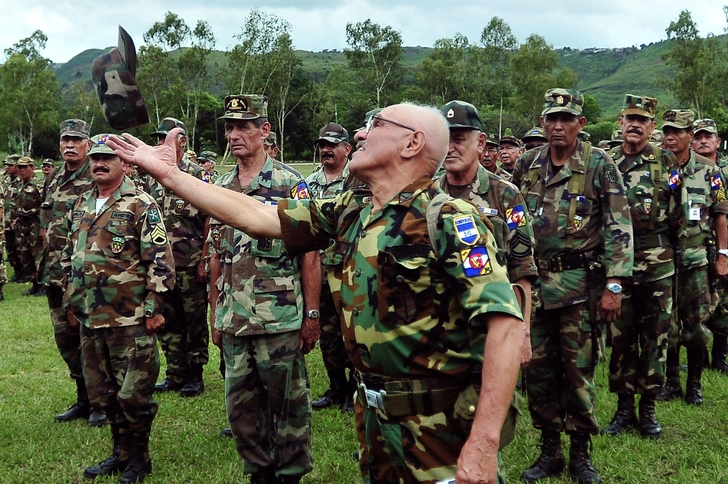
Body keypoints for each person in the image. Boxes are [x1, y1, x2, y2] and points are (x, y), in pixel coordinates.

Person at [108, 101, 526, 484]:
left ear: (412, 143)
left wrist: (485, 442)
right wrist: (169, 174)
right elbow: (255, 215)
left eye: (376, 124)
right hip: (377, 415)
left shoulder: (449, 217)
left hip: (440, 425)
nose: (361, 134)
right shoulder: (352, 210)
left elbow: (505, 326)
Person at [512, 88, 633, 484]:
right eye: (552, 118)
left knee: (578, 371)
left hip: (579, 288)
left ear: (581, 123)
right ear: (543, 122)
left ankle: (581, 452)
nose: (558, 125)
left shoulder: (600, 164)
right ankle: (550, 451)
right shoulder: (528, 163)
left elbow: (618, 225)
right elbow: (512, 220)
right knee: (540, 373)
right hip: (534, 287)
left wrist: (614, 284)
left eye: (567, 119)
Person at [206, 95, 318, 483]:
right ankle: (258, 473)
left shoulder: (291, 184)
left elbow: (310, 257)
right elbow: (216, 258)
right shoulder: (220, 189)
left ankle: (290, 475)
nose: (234, 134)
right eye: (229, 127)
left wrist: (312, 316)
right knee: (241, 412)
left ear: (265, 131)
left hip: (280, 322)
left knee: (289, 408)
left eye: (244, 126)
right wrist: (214, 318)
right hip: (234, 321)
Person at [61, 134, 175, 483]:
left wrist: (155, 307)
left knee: (133, 395)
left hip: (130, 317)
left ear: (125, 164)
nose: (99, 163)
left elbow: (160, 261)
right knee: (102, 391)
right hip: (90, 318)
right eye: (95, 157)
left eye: (108, 158)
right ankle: (120, 452)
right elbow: (70, 255)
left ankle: (140, 459)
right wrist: (71, 297)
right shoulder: (81, 204)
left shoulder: (140, 204)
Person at [600, 95, 686, 439]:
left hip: (657, 263)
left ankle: (648, 407)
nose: (635, 125)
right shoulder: (606, 162)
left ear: (652, 127)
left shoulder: (665, 162)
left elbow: (680, 212)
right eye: (629, 119)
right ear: (620, 123)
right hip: (617, 267)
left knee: (656, 337)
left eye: (643, 120)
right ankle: (623, 408)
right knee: (621, 338)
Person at [435, 100, 537, 349]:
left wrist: (522, 333)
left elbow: (522, 267)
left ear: (480, 143)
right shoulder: (429, 193)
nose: (449, 148)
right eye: (444, 139)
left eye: (458, 139)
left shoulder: (505, 194)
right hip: (439, 328)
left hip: (490, 325)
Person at [659, 109, 728, 406]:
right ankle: (672, 381)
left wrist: (723, 254)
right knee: (669, 323)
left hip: (697, 259)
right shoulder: (658, 168)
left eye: (677, 132)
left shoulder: (709, 170)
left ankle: (695, 385)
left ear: (689, 135)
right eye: (667, 132)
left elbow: (721, 214)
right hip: (664, 258)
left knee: (696, 324)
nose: (671, 137)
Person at [39, 119, 106, 426]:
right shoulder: (53, 178)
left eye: (76, 140)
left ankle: (101, 404)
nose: (69, 145)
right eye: (65, 139)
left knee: (91, 341)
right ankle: (83, 397)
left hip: (85, 276)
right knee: (66, 340)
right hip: (54, 273)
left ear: (87, 145)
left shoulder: (96, 177)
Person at [143, 117, 210, 397]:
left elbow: (210, 219)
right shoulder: (151, 177)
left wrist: (205, 257)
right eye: (158, 139)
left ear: (181, 141)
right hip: (161, 266)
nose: (161, 144)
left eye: (166, 138)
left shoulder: (198, 176)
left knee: (194, 321)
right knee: (168, 320)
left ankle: (195, 375)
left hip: (190, 262)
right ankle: (175, 373)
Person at [306, 122, 357, 412]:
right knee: (327, 331)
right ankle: (336, 386)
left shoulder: (358, 179)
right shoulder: (310, 182)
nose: (325, 149)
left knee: (351, 330)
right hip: (319, 269)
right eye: (322, 145)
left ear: (346, 149)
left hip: (349, 269)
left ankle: (354, 389)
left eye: (332, 145)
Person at [694, 118, 728, 374]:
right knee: (698, 303)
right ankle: (699, 357)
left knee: (724, 301)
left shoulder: (722, 174)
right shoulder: (682, 171)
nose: (703, 140)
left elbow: (722, 210)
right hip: (697, 246)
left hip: (722, 244)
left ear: (718, 141)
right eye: (698, 136)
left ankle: (720, 357)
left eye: (709, 136)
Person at [13, 156, 44, 296]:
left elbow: (45, 206)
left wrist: (43, 227)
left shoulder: (38, 184)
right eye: (19, 167)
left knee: (37, 254)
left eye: (25, 167)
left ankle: (43, 284)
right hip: (23, 224)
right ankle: (34, 283)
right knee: (25, 254)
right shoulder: (20, 185)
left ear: (32, 168)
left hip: (35, 223)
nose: (22, 170)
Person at [2, 155, 23, 282]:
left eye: (9, 165)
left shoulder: (22, 180)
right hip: (6, 220)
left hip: (18, 220)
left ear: (16, 166)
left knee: (20, 247)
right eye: (6, 165)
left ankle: (25, 272)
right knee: (10, 248)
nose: (6, 167)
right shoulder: (5, 180)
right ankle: (17, 271)